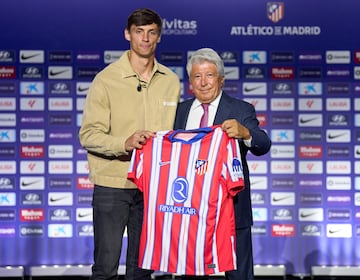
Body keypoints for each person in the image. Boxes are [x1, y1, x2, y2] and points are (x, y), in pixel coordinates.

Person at [79, 8, 181, 280]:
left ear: (158, 37)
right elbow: (88, 134)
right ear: (128, 35)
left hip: (154, 187)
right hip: (114, 183)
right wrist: (124, 142)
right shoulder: (106, 80)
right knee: (105, 267)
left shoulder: (171, 81)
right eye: (139, 32)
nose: (145, 39)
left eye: (151, 32)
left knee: (142, 269)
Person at [174, 48, 271, 280]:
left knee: (239, 276)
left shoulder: (240, 109)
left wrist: (245, 132)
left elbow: (263, 143)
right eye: (197, 76)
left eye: (209, 75)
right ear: (190, 82)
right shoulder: (180, 112)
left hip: (232, 209)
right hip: (192, 211)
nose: (204, 82)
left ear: (221, 79)